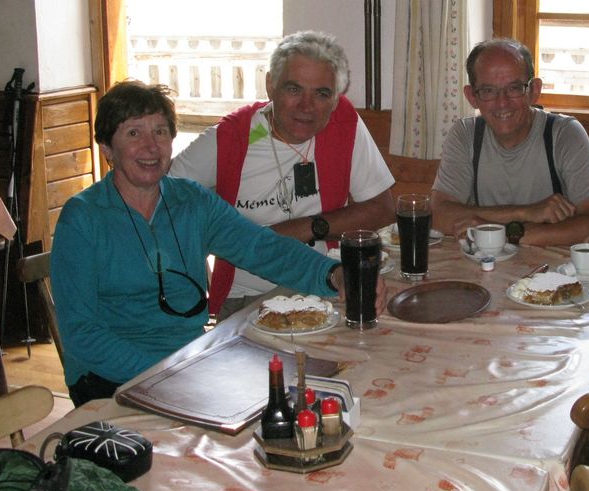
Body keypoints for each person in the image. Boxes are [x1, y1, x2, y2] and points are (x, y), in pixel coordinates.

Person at [51, 80, 386, 406]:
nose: (151, 147)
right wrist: (162, 373)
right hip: (111, 379)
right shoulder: (83, 218)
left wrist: (335, 274)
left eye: (160, 131)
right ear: (108, 148)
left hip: (188, 363)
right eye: (134, 133)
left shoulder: (192, 202)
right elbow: (82, 334)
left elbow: (262, 248)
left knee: (309, 390)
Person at [169, 31, 395, 320]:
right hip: (246, 300)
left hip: (325, 284)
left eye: (322, 94)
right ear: (270, 86)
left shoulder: (344, 124)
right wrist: (195, 269)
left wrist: (304, 228)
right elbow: (160, 199)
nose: (307, 105)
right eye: (293, 89)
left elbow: (383, 209)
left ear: (336, 99)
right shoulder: (230, 138)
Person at [431, 37, 589, 247]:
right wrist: (526, 212)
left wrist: (501, 233)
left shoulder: (563, 133)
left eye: (514, 88)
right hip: (483, 267)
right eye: (488, 91)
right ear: (472, 97)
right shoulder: (465, 134)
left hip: (554, 274)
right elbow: (438, 216)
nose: (502, 102)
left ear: (534, 90)